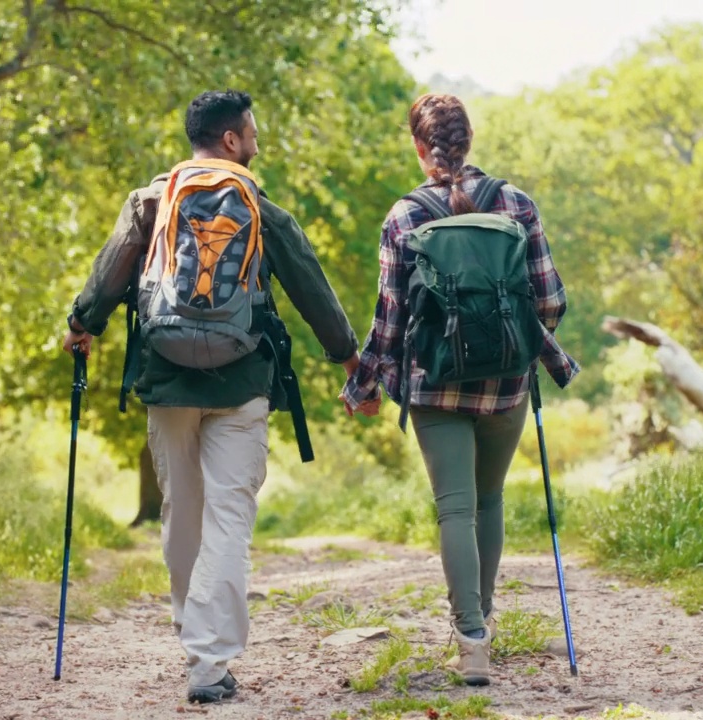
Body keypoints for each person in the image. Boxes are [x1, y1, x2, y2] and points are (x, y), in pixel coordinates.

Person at [61, 89, 363, 704]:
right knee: (230, 520)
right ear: (230, 139)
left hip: (166, 380)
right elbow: (311, 287)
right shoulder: (261, 208)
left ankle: (195, 641)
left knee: (181, 513)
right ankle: (208, 658)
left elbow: (109, 272)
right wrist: (350, 357)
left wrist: (81, 325)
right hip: (242, 384)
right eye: (251, 132)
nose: (256, 140)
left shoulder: (153, 200)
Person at [339, 92, 579, 686]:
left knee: (455, 506)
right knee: (488, 500)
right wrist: (514, 344)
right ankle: (484, 621)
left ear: (420, 149)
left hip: (434, 384)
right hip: (505, 385)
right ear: (468, 140)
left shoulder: (404, 217)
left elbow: (389, 321)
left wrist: (362, 385)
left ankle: (469, 638)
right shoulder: (516, 203)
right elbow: (549, 301)